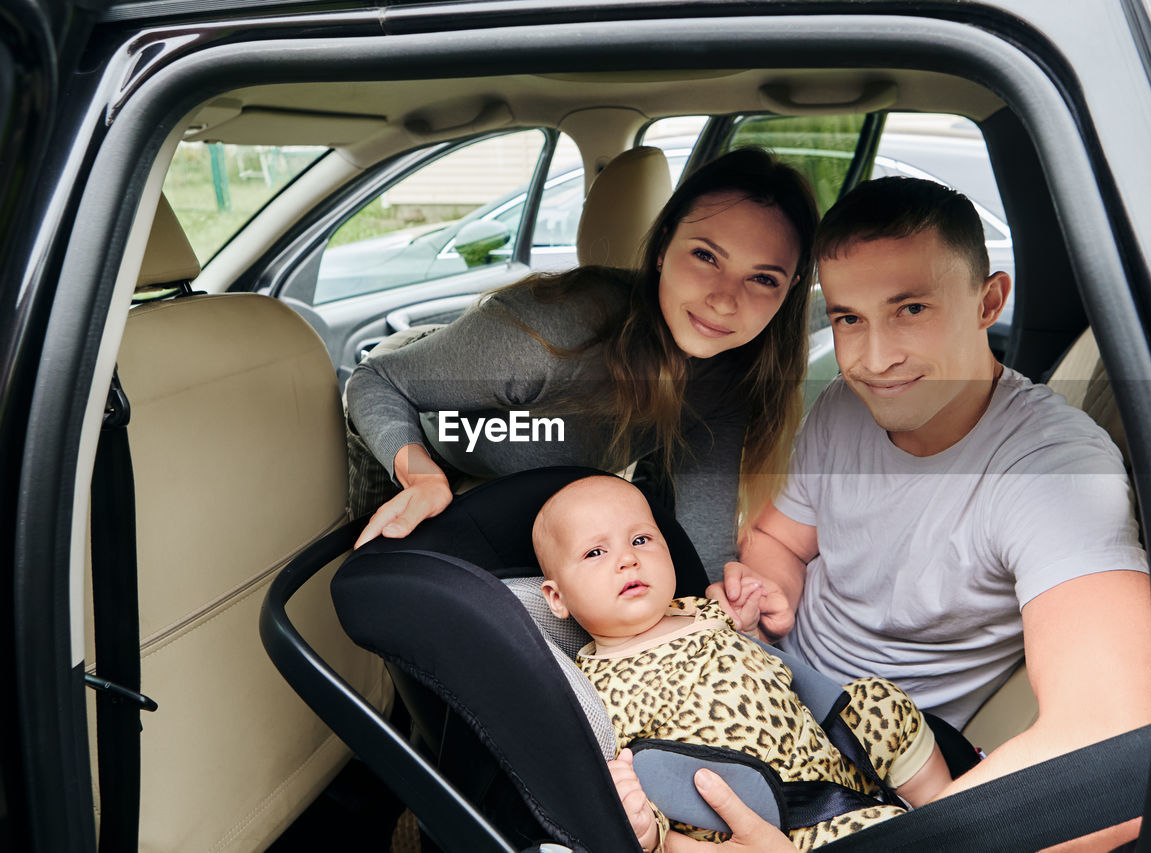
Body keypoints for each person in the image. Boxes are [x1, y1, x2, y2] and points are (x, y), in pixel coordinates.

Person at [712, 177, 1151, 851]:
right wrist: (769, 590)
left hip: (875, 764)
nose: (873, 359)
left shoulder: (1053, 470)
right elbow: (779, 537)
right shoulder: (843, 406)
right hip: (764, 687)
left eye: (910, 308)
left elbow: (1114, 751)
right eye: (848, 318)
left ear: (989, 301)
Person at [346, 147, 817, 581]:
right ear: (661, 249)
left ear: (791, 288)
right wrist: (421, 477)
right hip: (414, 423)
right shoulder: (551, 332)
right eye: (705, 255)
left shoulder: (724, 375)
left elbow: (703, 542)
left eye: (762, 278)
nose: (724, 301)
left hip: (535, 480)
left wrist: (722, 618)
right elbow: (378, 380)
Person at [533, 475, 952, 852]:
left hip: (825, 740)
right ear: (558, 598)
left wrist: (747, 628)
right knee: (885, 832)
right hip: (782, 818)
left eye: (641, 540)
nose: (627, 559)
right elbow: (642, 778)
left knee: (882, 702)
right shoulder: (598, 692)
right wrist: (647, 833)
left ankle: (948, 806)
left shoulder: (699, 610)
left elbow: (749, 665)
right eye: (595, 552)